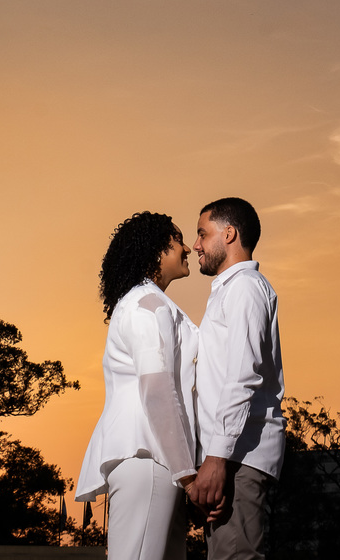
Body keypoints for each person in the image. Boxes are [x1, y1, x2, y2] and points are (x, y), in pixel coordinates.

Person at [75, 211, 202, 560]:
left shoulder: (147, 304)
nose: (188, 248)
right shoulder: (146, 307)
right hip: (148, 457)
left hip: (158, 459)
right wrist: (188, 475)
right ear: (157, 250)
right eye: (178, 240)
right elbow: (157, 390)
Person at [190, 197, 285, 560]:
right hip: (228, 456)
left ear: (229, 234)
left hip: (238, 457)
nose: (196, 244)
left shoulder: (245, 287)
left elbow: (244, 376)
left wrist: (216, 459)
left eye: (202, 233)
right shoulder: (229, 291)